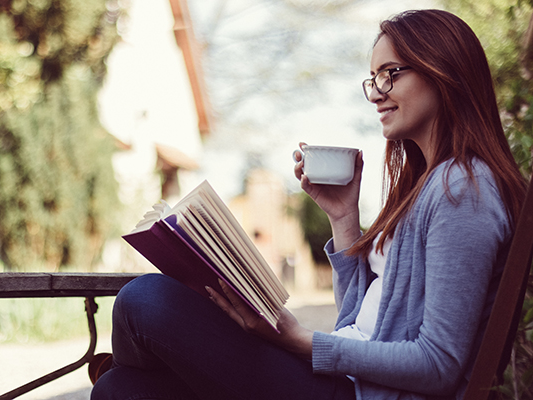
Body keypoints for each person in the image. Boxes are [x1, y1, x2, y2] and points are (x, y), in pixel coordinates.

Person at [91, 9, 527, 400]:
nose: (376, 93)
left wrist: (297, 340)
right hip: (344, 383)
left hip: (359, 393)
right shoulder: (428, 185)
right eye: (373, 79)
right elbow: (357, 320)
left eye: (390, 73)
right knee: (121, 388)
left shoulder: (464, 190)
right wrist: (342, 216)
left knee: (144, 300)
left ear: (444, 70)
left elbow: (438, 366)